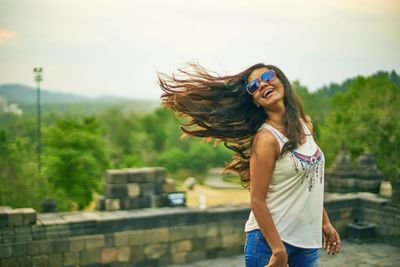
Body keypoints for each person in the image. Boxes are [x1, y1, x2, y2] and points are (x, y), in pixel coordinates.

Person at [158, 62, 341, 267]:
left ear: (281, 80)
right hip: (269, 244)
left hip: (305, 242)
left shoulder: (305, 124)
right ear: (255, 101)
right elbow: (257, 200)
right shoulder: (266, 139)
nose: (262, 84)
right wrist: (278, 250)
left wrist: (325, 222)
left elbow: (308, 185)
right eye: (254, 86)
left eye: (267, 77)